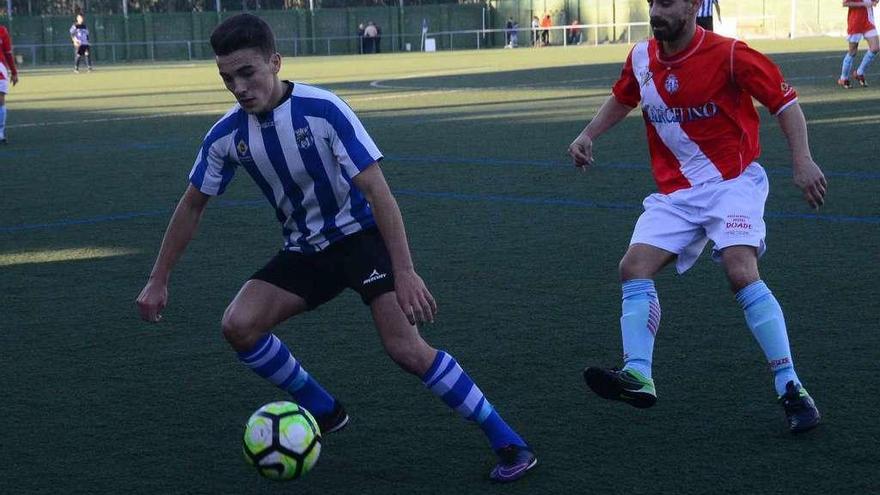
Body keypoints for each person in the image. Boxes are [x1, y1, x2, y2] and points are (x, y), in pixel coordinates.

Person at [135, 13, 536, 482]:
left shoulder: (323, 110)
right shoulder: (227, 136)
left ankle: (509, 441)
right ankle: (324, 409)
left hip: (361, 243)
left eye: (248, 73)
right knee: (238, 327)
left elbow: (378, 192)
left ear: (275, 62)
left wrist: (404, 271)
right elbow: (191, 206)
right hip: (305, 251)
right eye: (227, 78)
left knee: (406, 348)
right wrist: (157, 278)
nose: (239, 87)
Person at [567, 0, 825, 434]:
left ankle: (791, 387)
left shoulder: (729, 54)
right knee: (633, 268)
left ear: (691, 6)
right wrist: (588, 133)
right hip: (677, 194)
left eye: (667, 2)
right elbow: (622, 97)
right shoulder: (641, 57)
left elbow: (785, 104)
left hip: (733, 183)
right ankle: (638, 375)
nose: (656, 10)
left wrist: (802, 160)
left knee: (739, 270)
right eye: (652, 2)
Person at [838, 0, 879, 88]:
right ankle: (843, 78)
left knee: (875, 48)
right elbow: (845, 3)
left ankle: (859, 73)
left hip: (868, 22)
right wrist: (863, 4)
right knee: (852, 52)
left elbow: (874, 2)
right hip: (856, 23)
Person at [0, 23, 19, 145]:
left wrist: (14, 71)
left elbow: (8, 53)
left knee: (0, 99)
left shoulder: (2, 31)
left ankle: (0, 132)